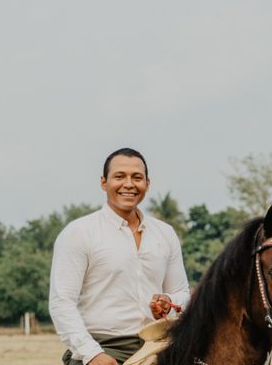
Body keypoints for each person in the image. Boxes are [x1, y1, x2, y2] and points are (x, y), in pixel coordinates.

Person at [49, 148, 190, 365]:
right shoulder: (79, 233)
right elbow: (61, 303)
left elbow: (182, 292)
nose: (129, 184)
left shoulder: (165, 233)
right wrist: (92, 354)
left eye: (137, 178)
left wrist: (169, 301)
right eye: (119, 176)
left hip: (158, 346)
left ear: (147, 184)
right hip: (102, 347)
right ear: (104, 183)